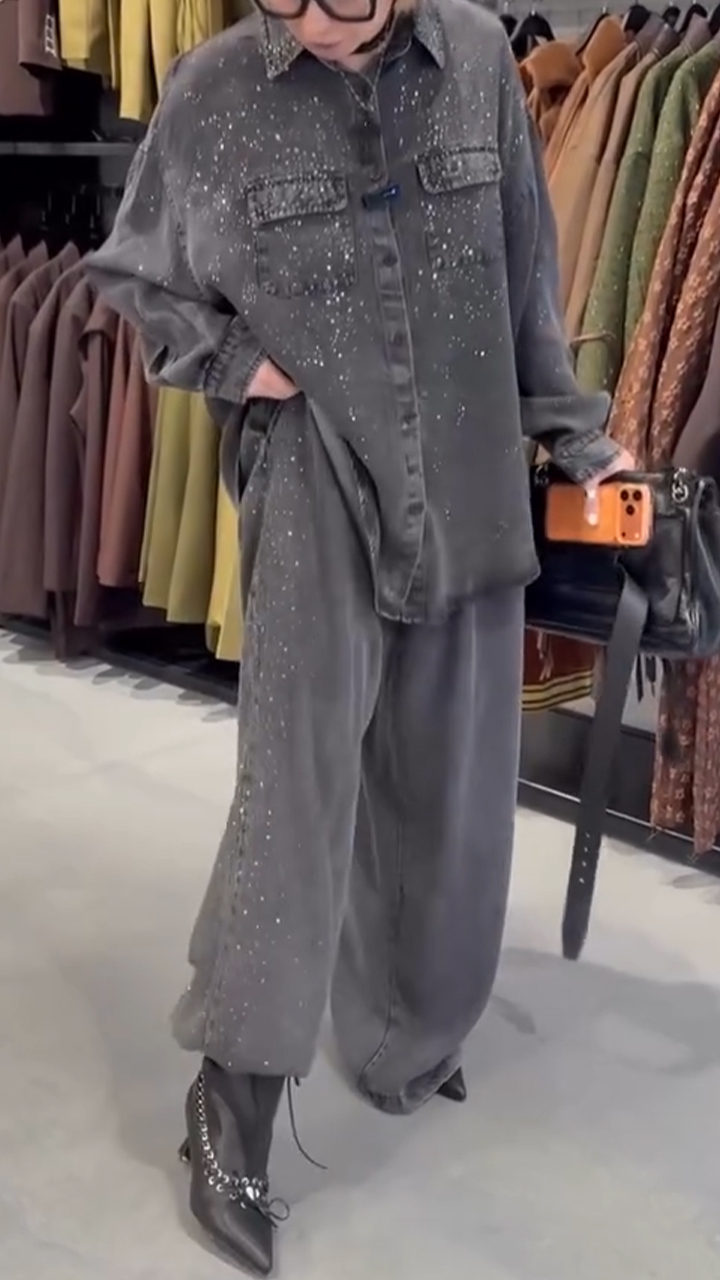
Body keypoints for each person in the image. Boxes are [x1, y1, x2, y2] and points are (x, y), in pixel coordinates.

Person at [86, 0, 632, 1271]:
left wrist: (578, 437)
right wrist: (239, 362)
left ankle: (409, 1035)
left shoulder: (479, 60)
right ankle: (232, 1102)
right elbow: (133, 273)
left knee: (455, 781)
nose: (315, 22)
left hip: (470, 459)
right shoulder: (217, 90)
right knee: (297, 788)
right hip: (316, 473)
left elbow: (524, 279)